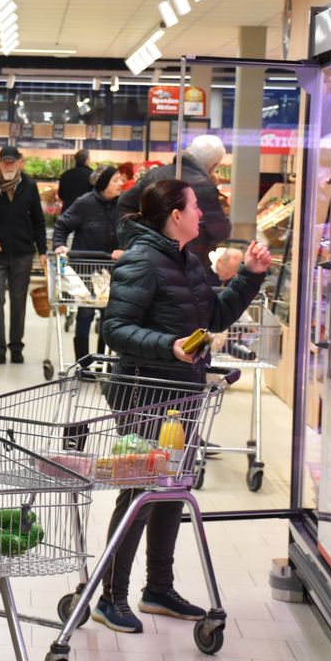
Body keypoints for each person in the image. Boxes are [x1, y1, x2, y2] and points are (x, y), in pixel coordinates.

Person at [96, 179, 270, 634]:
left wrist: (249, 275)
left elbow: (212, 316)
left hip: (181, 394)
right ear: (175, 214)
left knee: (171, 488)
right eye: (195, 207)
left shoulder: (185, 261)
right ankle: (109, 596)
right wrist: (168, 347)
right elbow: (115, 328)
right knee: (140, 490)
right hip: (144, 392)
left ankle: (158, 588)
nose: (202, 215)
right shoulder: (141, 260)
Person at [118, 134, 231, 281]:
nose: (199, 213)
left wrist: (133, 240)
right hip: (188, 264)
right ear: (213, 165)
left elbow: (125, 203)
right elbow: (219, 230)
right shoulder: (203, 185)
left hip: (148, 259)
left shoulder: (155, 174)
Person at [0, 145, 47, 365]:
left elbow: (38, 220)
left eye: (11, 162)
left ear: (19, 163)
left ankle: (16, 347)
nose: (8, 166)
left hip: (23, 253)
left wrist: (42, 250)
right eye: (4, 162)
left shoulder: (29, 186)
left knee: (18, 300)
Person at [52, 164, 124, 361]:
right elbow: (62, 224)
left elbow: (132, 230)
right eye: (115, 180)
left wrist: (126, 249)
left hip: (112, 268)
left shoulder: (123, 205)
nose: (121, 184)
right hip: (85, 267)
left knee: (109, 317)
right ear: (103, 184)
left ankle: (104, 361)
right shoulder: (84, 203)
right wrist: (59, 244)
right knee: (85, 313)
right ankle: (83, 362)